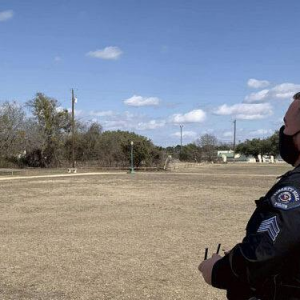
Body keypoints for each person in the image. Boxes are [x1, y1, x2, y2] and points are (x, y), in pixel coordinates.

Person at [199, 92, 300, 300]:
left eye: (286, 124)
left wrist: (217, 270)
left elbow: (259, 256)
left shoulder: (294, 189)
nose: (283, 132)